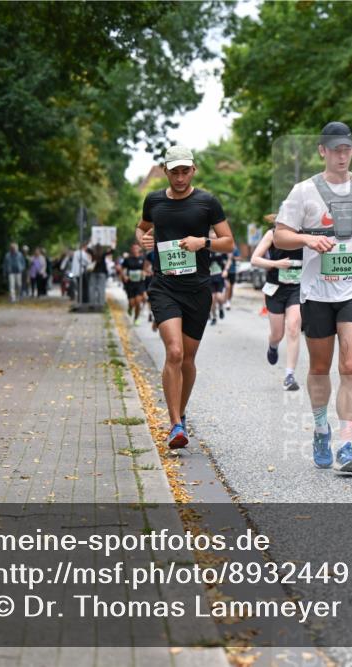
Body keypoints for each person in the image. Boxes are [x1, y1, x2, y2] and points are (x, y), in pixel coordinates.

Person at [274, 122, 352, 474]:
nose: (342, 155)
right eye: (335, 149)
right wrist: (308, 240)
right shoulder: (303, 192)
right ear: (322, 150)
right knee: (320, 367)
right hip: (317, 291)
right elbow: (280, 236)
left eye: (347, 149)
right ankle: (321, 428)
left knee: (350, 365)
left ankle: (348, 443)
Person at [137, 146, 234, 449]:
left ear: (193, 170)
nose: (179, 177)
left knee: (189, 358)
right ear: (165, 170)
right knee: (175, 352)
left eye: (185, 171)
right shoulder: (153, 200)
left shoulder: (207, 202)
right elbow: (141, 230)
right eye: (174, 171)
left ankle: (182, 412)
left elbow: (228, 242)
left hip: (198, 289)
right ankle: (175, 423)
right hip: (164, 286)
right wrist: (144, 240)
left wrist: (202, 242)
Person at [250, 227, 302, 391]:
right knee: (277, 334)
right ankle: (273, 345)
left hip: (297, 288)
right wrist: (275, 264)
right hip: (276, 290)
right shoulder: (273, 234)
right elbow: (255, 259)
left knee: (293, 327)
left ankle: (289, 375)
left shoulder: (307, 233)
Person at [119, 241, 150, 324]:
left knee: (138, 302)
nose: (135, 249)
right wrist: (124, 276)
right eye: (134, 248)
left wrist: (144, 272)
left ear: (139, 249)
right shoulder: (127, 259)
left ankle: (136, 318)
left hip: (140, 283)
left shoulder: (143, 259)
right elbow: (121, 269)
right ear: (131, 249)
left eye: (137, 248)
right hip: (130, 283)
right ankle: (130, 307)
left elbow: (146, 269)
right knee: (132, 303)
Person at [207, 241, 229, 325]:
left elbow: (227, 260)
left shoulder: (221, 250)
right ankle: (214, 317)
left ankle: (220, 308)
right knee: (212, 299)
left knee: (219, 297)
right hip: (210, 277)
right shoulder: (206, 250)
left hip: (219, 276)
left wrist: (226, 270)